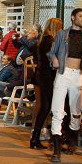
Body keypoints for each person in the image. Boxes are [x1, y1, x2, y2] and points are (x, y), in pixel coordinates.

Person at [48, 8, 82, 162]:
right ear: (73, 18)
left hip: (77, 76)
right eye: (80, 16)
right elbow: (51, 52)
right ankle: (56, 150)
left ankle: (72, 139)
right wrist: (54, 58)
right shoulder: (62, 34)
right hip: (62, 74)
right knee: (57, 111)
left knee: (76, 112)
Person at [30, 17, 62, 150]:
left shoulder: (43, 40)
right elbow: (54, 60)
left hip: (42, 76)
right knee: (46, 107)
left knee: (44, 107)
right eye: (59, 27)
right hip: (47, 77)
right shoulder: (50, 41)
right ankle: (37, 137)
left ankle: (35, 138)